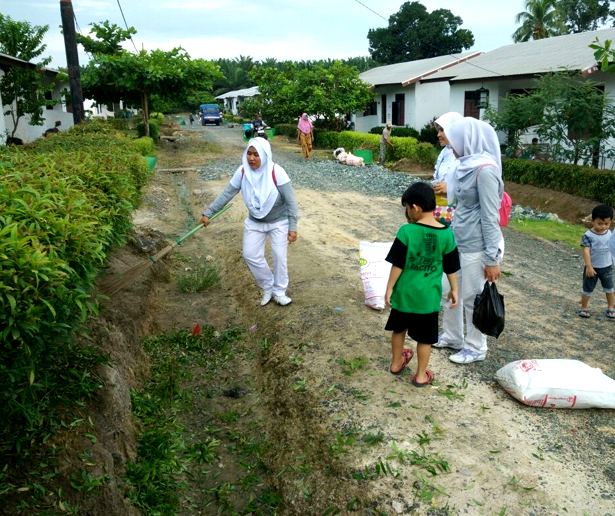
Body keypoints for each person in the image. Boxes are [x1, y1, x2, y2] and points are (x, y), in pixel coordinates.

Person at [433, 117, 505, 364]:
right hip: (458, 240)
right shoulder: (464, 165)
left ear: (468, 140)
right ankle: (452, 337)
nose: (450, 144)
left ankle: (476, 347)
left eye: (453, 139)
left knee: (473, 298)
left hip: (477, 246)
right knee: (448, 290)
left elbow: (490, 217)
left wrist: (492, 258)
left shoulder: (485, 171)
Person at [199, 138, 299, 306]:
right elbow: (227, 193)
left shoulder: (277, 172)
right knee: (250, 255)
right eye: (249, 154)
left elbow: (291, 201)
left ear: (265, 156)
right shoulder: (243, 172)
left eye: (256, 155)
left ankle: (279, 291)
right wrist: (208, 212)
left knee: (279, 256)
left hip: (278, 222)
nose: (251, 158)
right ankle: (268, 286)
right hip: (255, 221)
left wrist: (293, 226)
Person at [384, 181, 460, 386]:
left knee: (398, 330)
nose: (407, 213)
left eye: (407, 208)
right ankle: (420, 375)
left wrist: (389, 288)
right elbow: (451, 266)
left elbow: (397, 265)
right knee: (425, 339)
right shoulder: (446, 233)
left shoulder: (406, 232)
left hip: (404, 295)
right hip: (428, 299)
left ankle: (396, 363)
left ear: (415, 207)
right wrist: (454, 289)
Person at [578, 204, 614, 319]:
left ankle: (611, 308)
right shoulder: (588, 236)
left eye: (607, 224)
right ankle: (584, 308)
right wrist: (589, 266)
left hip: (607, 267)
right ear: (592, 221)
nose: (603, 226)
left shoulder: (610, 234)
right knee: (587, 288)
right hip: (592, 267)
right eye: (600, 223)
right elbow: (586, 251)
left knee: (609, 288)